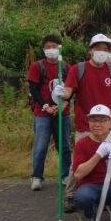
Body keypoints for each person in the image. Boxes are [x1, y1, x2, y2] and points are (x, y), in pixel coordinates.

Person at [53, 33, 111, 143]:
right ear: (90, 50)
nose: (101, 52)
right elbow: (68, 93)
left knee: (108, 159)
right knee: (84, 159)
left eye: (105, 49)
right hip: (85, 126)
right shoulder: (77, 69)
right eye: (98, 48)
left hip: (106, 125)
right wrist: (60, 92)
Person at [27, 34, 71, 191]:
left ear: (60, 48)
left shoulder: (66, 68)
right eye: (47, 47)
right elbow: (33, 89)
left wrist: (64, 104)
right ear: (43, 49)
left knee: (64, 145)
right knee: (41, 146)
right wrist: (46, 106)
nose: (51, 50)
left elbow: (71, 90)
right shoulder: (37, 66)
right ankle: (37, 176)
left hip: (62, 113)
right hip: (42, 113)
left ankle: (66, 175)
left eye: (54, 46)